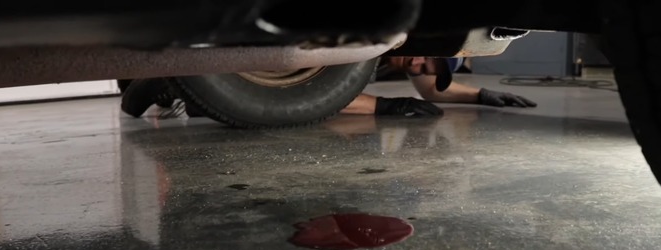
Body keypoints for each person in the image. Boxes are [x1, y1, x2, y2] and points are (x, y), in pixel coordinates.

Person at [118, 56, 536, 119]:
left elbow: (434, 92)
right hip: (258, 68)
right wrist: (384, 109)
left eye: (429, 66)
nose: (421, 66)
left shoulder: (410, 55)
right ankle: (168, 84)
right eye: (427, 61)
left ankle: (181, 92)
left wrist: (481, 96)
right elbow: (322, 98)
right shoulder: (368, 46)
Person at [341, 56, 536, 116]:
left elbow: (431, 89)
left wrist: (481, 95)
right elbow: (318, 95)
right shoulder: (365, 30)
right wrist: (381, 106)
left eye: (424, 68)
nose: (414, 63)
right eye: (424, 55)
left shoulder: (409, 57)